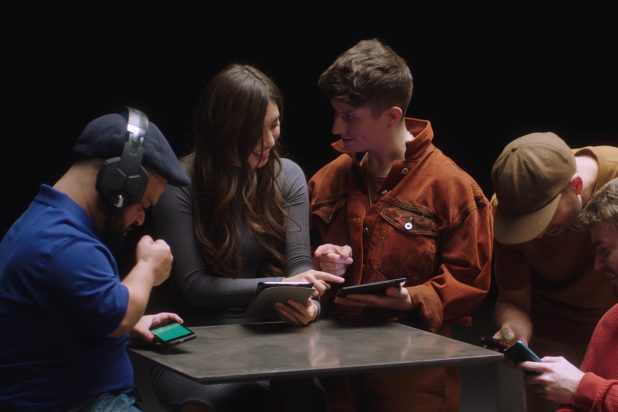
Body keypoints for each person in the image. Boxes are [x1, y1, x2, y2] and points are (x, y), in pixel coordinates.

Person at [308, 38, 493, 412]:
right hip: (337, 368)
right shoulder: (325, 182)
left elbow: (471, 279)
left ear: (392, 116)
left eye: (350, 117)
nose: (335, 127)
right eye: (336, 113)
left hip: (414, 372)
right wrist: (319, 265)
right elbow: (293, 268)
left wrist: (413, 298)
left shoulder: (451, 187)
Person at [149, 64, 343, 412]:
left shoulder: (290, 177)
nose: (269, 141)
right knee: (203, 402)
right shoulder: (179, 184)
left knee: (305, 393)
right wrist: (281, 283)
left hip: (270, 333)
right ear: (224, 129)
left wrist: (309, 305)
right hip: (194, 337)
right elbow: (196, 287)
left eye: (274, 125)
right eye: (255, 130)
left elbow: (300, 267)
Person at [0, 107, 190, 411]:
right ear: (120, 184)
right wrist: (148, 267)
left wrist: (131, 327)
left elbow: (67, 321)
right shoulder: (63, 243)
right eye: (143, 204)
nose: (141, 219)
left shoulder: (50, 222)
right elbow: (119, 313)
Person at [491, 132, 618, 411]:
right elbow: (513, 296)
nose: (534, 234)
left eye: (543, 220)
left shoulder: (614, 178)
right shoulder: (510, 210)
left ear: (575, 186)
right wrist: (515, 334)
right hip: (551, 339)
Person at [518, 177, 618, 411]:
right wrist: (576, 392)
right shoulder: (611, 323)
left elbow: (583, 394)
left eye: (605, 250)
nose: (597, 265)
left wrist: (581, 387)